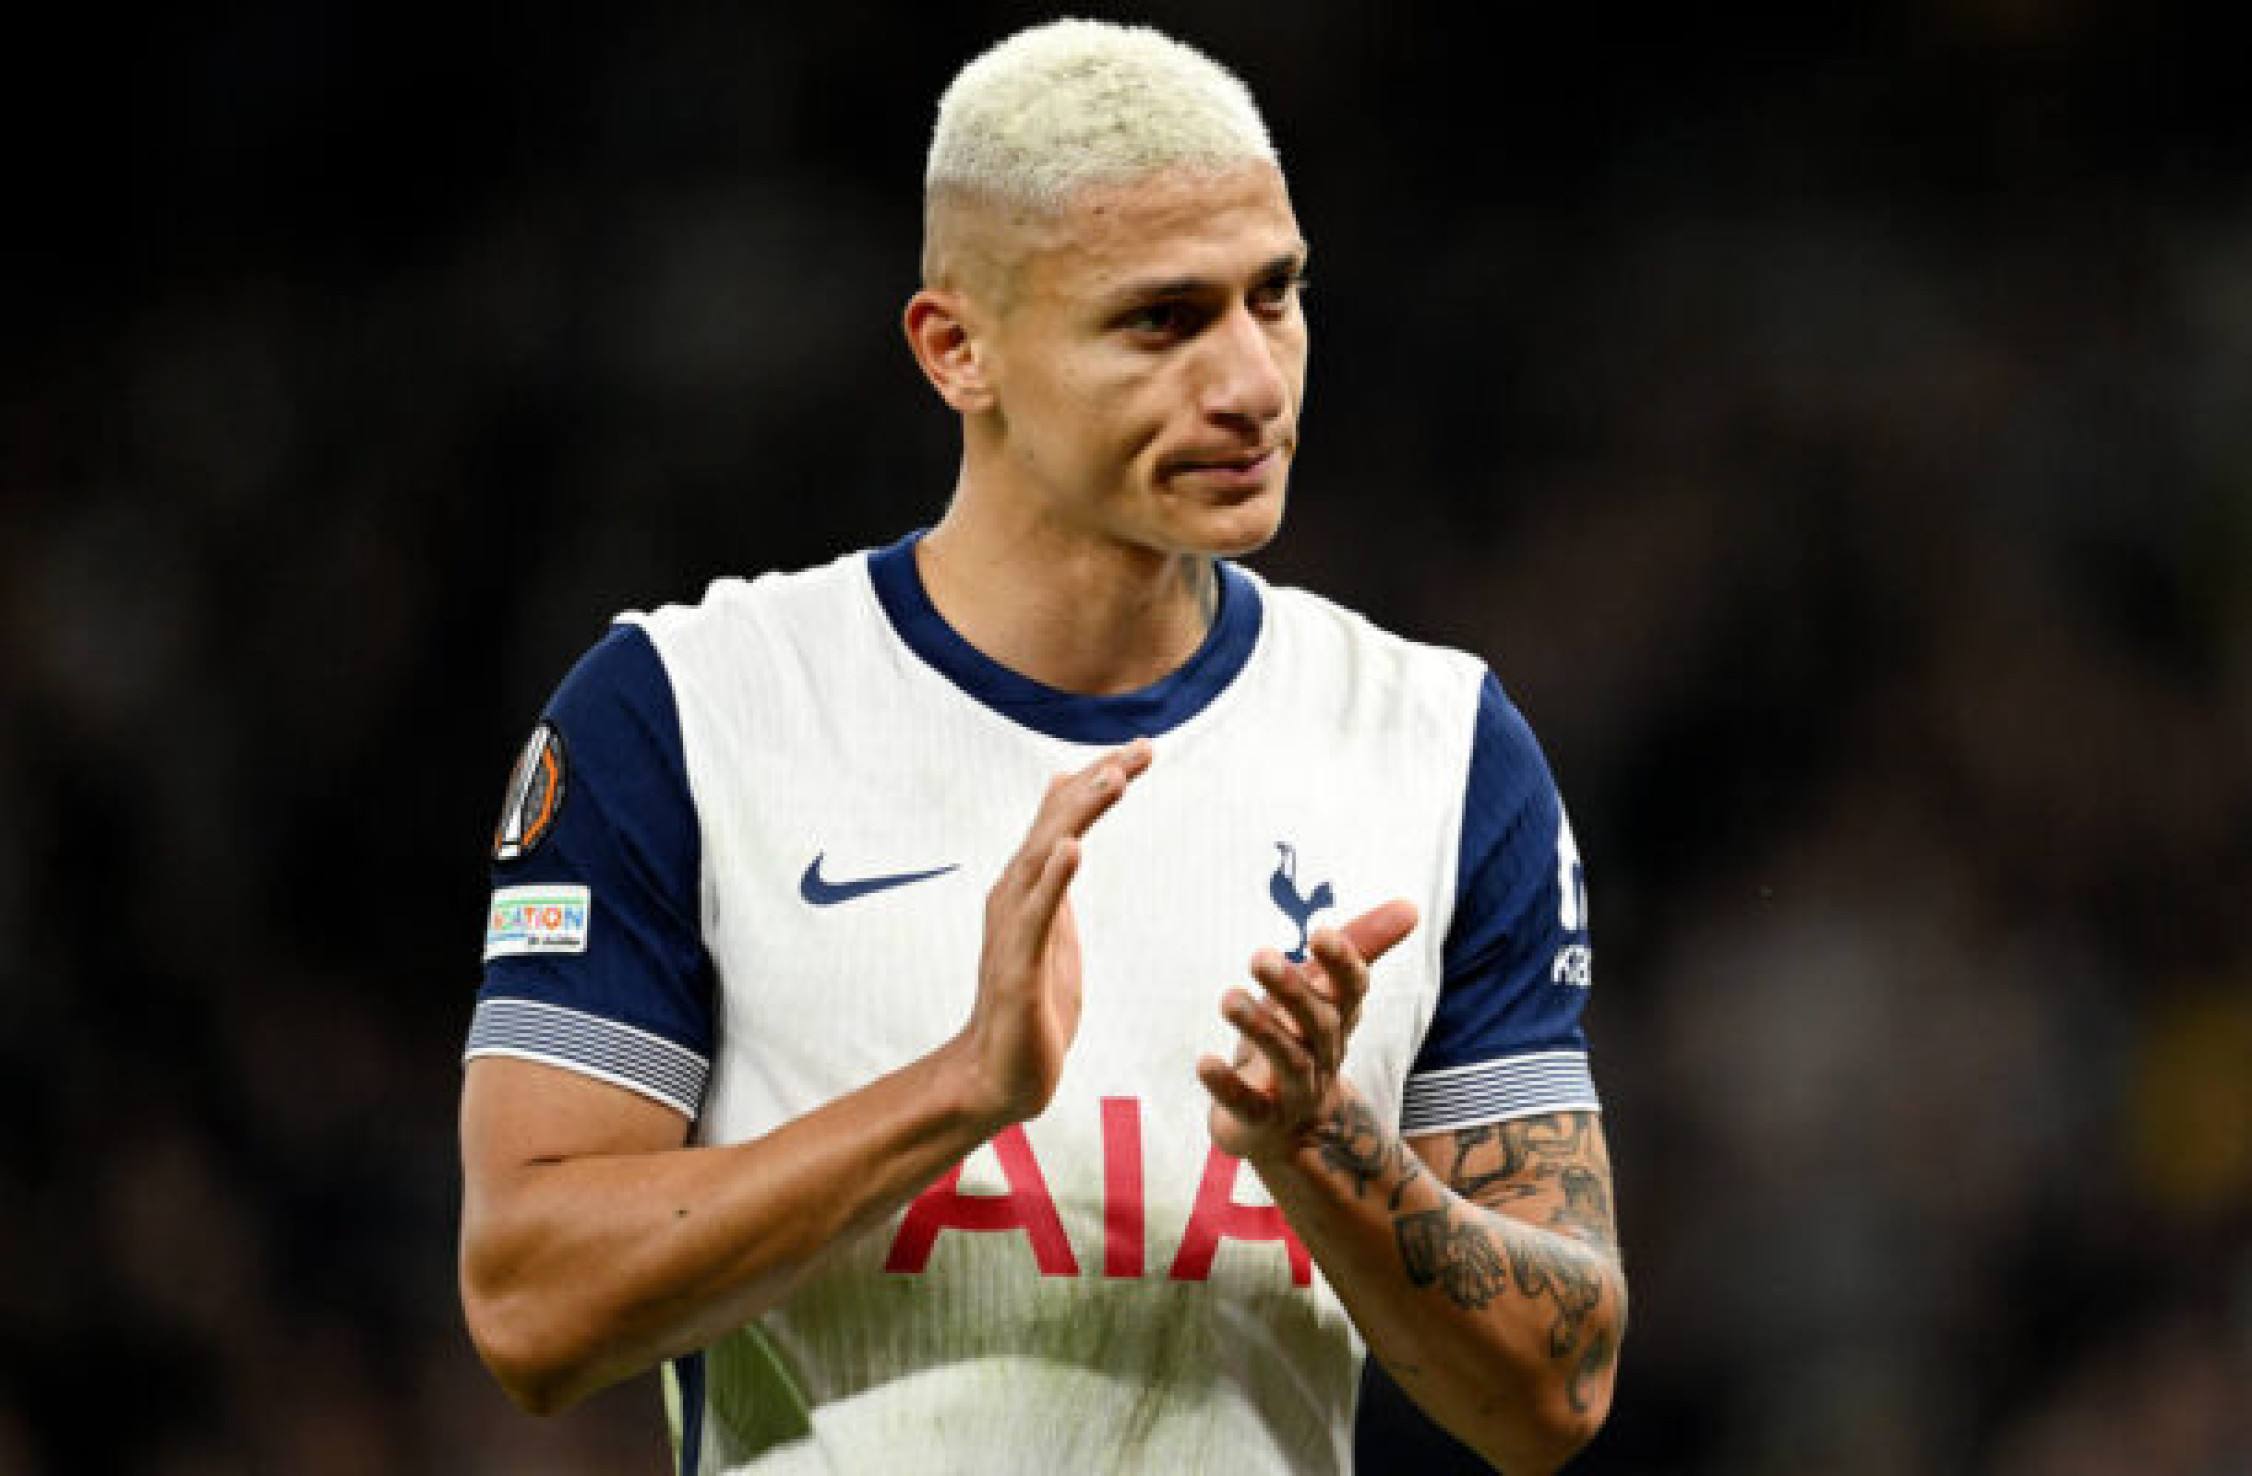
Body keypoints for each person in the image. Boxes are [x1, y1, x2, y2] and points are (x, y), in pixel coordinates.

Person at [457, 19, 1624, 1475]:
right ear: (959, 349)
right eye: (1163, 320)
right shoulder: (688, 715)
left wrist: (1329, 1147)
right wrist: (961, 1091)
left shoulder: (1438, 743)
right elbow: (528, 1307)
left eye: (1276, 296)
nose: (1253, 384)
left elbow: (1558, 1392)